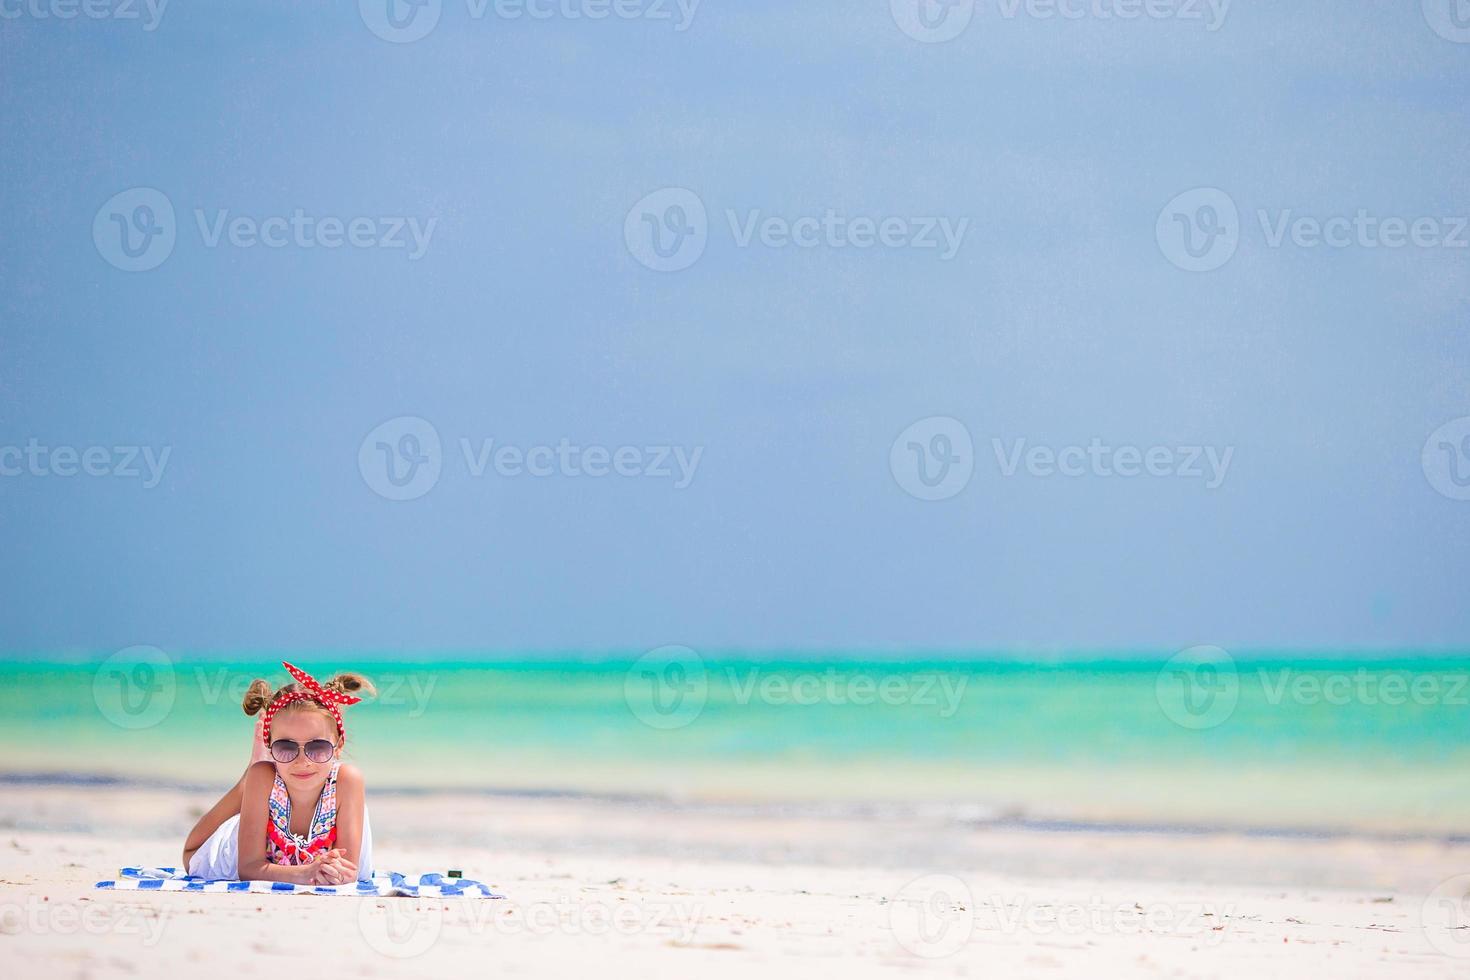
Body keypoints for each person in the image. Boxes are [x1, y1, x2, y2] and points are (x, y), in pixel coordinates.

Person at [181, 662, 374, 884]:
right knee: (192, 855)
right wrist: (305, 873)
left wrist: (335, 872)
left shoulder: (347, 780)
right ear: (270, 744)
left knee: (258, 776)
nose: (303, 761)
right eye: (286, 747)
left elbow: (348, 871)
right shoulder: (264, 778)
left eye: (318, 747)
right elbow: (248, 869)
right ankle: (250, 773)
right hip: (237, 834)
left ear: (338, 745)